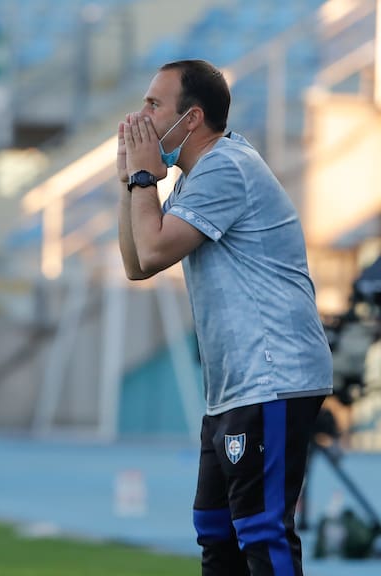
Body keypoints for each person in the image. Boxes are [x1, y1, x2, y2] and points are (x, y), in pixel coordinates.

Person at [117, 60, 333, 575]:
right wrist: (130, 181)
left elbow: (150, 252)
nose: (141, 115)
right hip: (237, 388)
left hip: (272, 378)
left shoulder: (225, 167)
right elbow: (134, 265)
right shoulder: (196, 177)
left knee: (262, 535)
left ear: (191, 119)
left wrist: (146, 176)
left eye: (154, 105)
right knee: (216, 535)